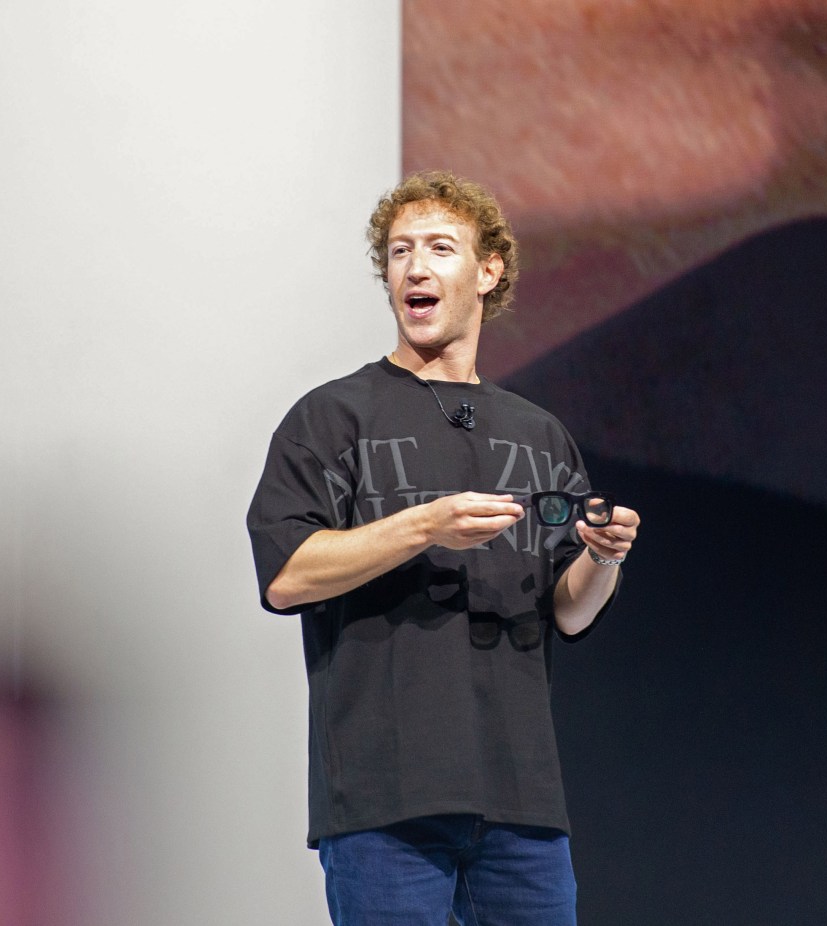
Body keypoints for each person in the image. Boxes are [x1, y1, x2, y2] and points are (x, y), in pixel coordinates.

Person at [246, 170, 640, 926]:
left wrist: (603, 557)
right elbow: (288, 577)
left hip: (520, 802)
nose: (413, 269)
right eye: (397, 253)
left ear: (488, 271)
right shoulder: (331, 418)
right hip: (385, 799)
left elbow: (569, 613)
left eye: (437, 248)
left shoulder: (537, 433)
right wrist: (424, 525)